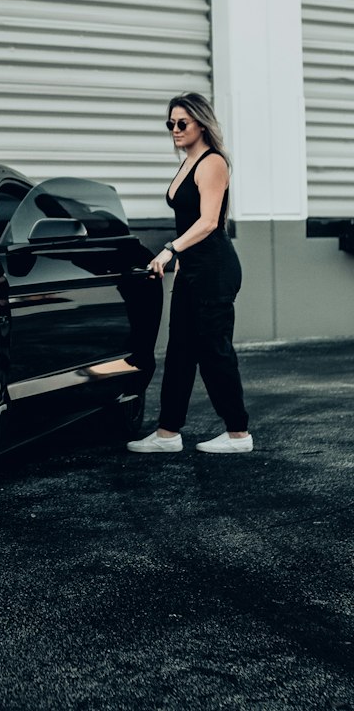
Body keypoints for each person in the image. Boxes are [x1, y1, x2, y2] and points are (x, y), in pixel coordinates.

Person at [127, 93, 253, 454]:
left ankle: (238, 434)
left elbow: (209, 221)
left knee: (215, 351)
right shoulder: (188, 162)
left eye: (182, 123)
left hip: (214, 270)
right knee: (180, 350)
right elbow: (187, 218)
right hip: (191, 269)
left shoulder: (212, 163)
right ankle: (168, 434)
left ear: (201, 123)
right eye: (170, 124)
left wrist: (171, 249)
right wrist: (181, 262)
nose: (175, 130)